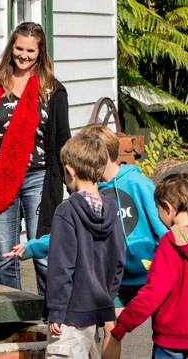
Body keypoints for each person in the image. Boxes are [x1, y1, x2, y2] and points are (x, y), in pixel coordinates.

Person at [0, 22, 71, 296]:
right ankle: (13, 320)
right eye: (19, 48)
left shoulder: (52, 91)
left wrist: (73, 183)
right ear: (11, 47)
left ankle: (52, 319)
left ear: (40, 53)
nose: (23, 55)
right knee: (5, 255)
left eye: (30, 51)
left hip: (38, 178)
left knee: (42, 252)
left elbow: (63, 141)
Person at [104, 173, 188, 359]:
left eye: (157, 209)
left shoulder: (170, 243)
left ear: (168, 207)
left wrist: (123, 325)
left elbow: (153, 292)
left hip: (170, 340)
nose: (158, 214)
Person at [80, 123, 168, 355]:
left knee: (164, 334)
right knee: (112, 330)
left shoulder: (139, 184)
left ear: (106, 155)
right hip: (116, 280)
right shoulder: (93, 190)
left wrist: (164, 267)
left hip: (150, 276)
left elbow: (164, 231)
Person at [43, 132, 124, 359]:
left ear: (70, 171)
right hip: (94, 314)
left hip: (68, 317)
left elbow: (61, 267)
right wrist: (105, 298)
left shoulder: (66, 212)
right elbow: (119, 261)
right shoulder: (112, 209)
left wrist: (56, 311)